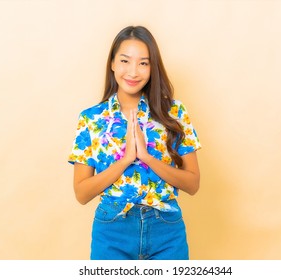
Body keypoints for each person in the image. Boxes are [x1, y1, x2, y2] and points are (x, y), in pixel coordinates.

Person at [68, 25, 201, 260]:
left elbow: (192, 184)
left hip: (166, 231)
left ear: (152, 67)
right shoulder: (91, 119)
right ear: (112, 63)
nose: (133, 72)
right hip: (112, 231)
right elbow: (81, 193)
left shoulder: (174, 112)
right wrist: (126, 159)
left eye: (143, 63)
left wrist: (147, 157)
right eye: (125, 61)